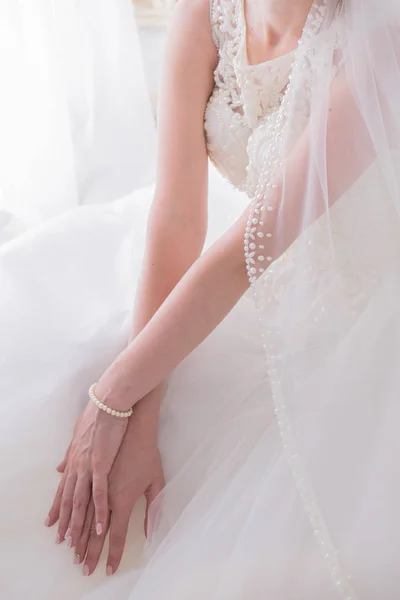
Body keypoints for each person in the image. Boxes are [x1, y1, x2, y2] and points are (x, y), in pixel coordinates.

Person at [1, 0, 400, 598]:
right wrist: (137, 410)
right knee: (50, 385)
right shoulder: (208, 13)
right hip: (230, 268)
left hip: (345, 310)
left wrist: (114, 397)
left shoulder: (379, 43)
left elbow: (250, 253)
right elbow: (178, 216)